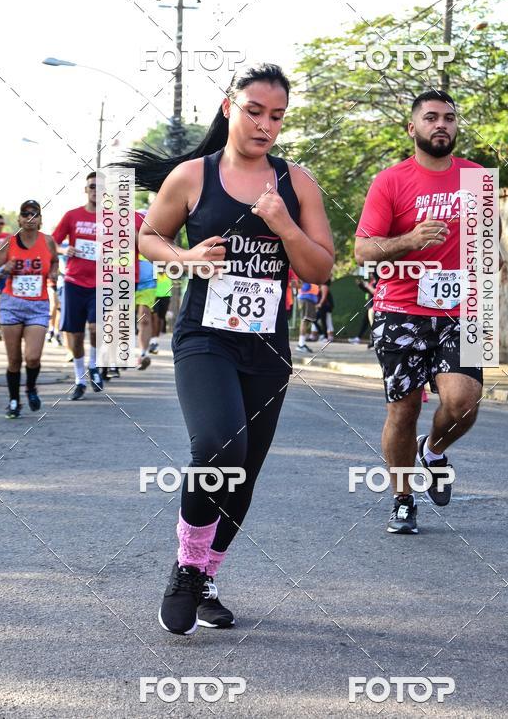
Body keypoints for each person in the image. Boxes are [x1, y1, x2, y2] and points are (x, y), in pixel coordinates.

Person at [123, 62, 334, 635]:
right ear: (228, 108)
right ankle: (188, 567)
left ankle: (208, 576)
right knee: (219, 447)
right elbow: (149, 235)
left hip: (266, 346)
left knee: (244, 470)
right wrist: (186, 259)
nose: (266, 125)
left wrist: (284, 224)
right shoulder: (193, 176)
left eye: (277, 116)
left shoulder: (297, 182)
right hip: (205, 337)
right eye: (255, 111)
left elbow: (320, 264)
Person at [355, 90, 498, 534]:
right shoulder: (390, 181)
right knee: (404, 408)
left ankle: (433, 451)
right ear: (412, 128)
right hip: (400, 308)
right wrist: (408, 241)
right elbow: (363, 249)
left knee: (464, 400)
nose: (442, 124)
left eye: (450, 118)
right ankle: (402, 498)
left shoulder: (478, 180)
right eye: (431, 117)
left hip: (463, 308)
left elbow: (489, 242)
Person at [0, 200, 58, 417]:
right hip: (11, 305)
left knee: (32, 357)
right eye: (25, 214)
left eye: (34, 215)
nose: (29, 218)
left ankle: (31, 387)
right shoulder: (8, 242)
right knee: (14, 360)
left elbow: (54, 261)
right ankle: (14, 401)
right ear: (20, 219)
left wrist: (53, 273)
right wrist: (5, 268)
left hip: (38, 305)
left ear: (40, 220)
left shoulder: (48, 241)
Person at [52, 172, 103, 400]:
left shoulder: (111, 219)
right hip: (74, 282)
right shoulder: (72, 215)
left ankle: (93, 365)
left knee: (95, 328)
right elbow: (52, 242)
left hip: (100, 283)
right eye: (92, 186)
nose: (95, 190)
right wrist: (64, 250)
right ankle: (79, 378)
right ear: (86, 189)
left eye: (99, 186)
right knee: (75, 334)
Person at [296, 281, 320, 353]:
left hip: (307, 299)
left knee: (306, 321)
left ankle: (301, 343)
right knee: (304, 321)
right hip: (306, 298)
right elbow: (303, 285)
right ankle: (301, 345)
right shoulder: (308, 274)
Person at [0, 214, 10, 342]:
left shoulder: (7, 238)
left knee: (1, 301)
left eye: (2, 223)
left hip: (3, 274)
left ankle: (0, 328)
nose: (0, 226)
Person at [315, 278, 334, 343]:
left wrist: (319, 304)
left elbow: (324, 297)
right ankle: (322, 335)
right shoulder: (322, 286)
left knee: (323, 322)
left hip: (324, 307)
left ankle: (325, 337)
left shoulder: (324, 286)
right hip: (323, 307)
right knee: (314, 319)